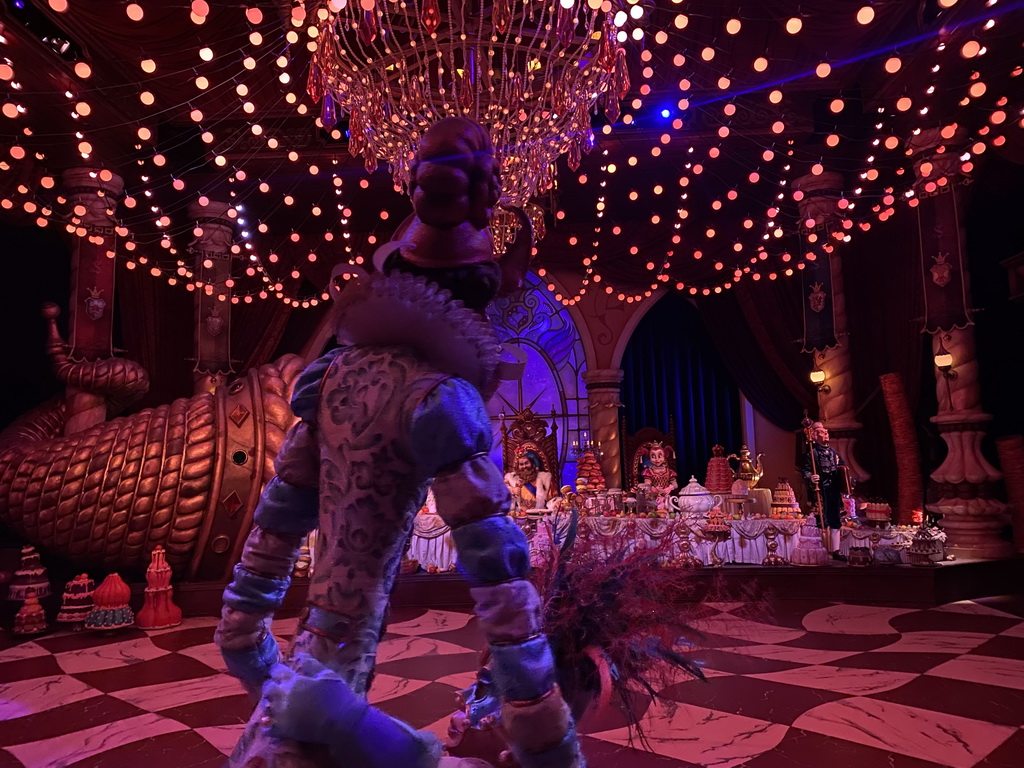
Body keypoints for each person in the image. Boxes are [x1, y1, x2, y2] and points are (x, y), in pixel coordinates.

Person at [214, 117, 582, 768]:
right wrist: (550, 745)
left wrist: (278, 681)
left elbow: (247, 607)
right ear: (476, 302)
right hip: (325, 690)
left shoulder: (328, 379)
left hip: (311, 661)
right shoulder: (441, 398)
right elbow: (503, 594)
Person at [800, 421, 849, 561]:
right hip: (820, 491)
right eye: (822, 432)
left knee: (835, 519)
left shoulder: (834, 453)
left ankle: (836, 550)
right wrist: (811, 476)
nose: (826, 434)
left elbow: (842, 467)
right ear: (814, 436)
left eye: (826, 431)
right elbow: (806, 470)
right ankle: (820, 548)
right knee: (820, 520)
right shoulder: (812, 454)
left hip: (833, 490)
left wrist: (844, 482)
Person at [504, 445, 555, 511]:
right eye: (521, 464)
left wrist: (556, 504)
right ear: (518, 466)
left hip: (539, 516)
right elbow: (501, 493)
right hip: (518, 517)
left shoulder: (545, 479)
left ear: (532, 463)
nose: (524, 466)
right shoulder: (510, 479)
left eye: (526, 463)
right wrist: (511, 490)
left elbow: (552, 500)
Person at [640, 441, 678, 507]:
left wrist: (669, 488)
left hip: (667, 498)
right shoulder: (649, 472)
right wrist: (653, 489)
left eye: (660, 456)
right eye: (653, 456)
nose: (657, 459)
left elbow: (675, 484)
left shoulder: (669, 471)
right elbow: (647, 485)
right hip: (654, 498)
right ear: (649, 457)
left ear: (664, 456)